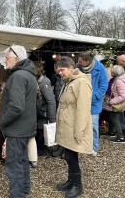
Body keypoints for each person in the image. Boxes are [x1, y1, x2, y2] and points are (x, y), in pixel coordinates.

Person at [0, 45, 37, 198]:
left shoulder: (18, 76)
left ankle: (17, 195)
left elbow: (16, 107)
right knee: (22, 161)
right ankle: (24, 189)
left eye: (7, 58)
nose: (4, 61)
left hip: (17, 128)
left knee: (14, 165)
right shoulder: (28, 74)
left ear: (17, 59)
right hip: (25, 127)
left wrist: (3, 122)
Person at [55, 56, 92, 198]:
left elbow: (83, 110)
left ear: (71, 68)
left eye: (62, 70)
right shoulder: (70, 81)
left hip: (73, 127)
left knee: (71, 156)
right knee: (69, 155)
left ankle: (77, 185)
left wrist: (79, 131)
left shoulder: (81, 83)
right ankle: (71, 181)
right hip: (67, 126)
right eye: (59, 71)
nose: (60, 73)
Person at [78, 52, 108, 156]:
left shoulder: (100, 68)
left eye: (81, 61)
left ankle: (94, 147)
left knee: (93, 126)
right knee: (81, 125)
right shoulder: (78, 68)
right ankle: (82, 146)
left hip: (93, 102)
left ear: (87, 61)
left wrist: (93, 97)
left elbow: (104, 86)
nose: (79, 63)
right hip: (80, 101)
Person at [103, 65, 125, 143]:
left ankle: (120, 138)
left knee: (115, 120)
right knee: (112, 118)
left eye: (112, 71)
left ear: (115, 72)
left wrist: (111, 101)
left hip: (116, 104)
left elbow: (123, 95)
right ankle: (112, 132)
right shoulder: (117, 79)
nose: (110, 72)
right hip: (115, 103)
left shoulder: (119, 81)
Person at [35, 65, 56, 156]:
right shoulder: (36, 81)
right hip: (38, 112)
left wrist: (52, 120)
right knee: (40, 133)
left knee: (41, 133)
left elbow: (51, 101)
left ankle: (43, 151)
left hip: (43, 113)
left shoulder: (44, 83)